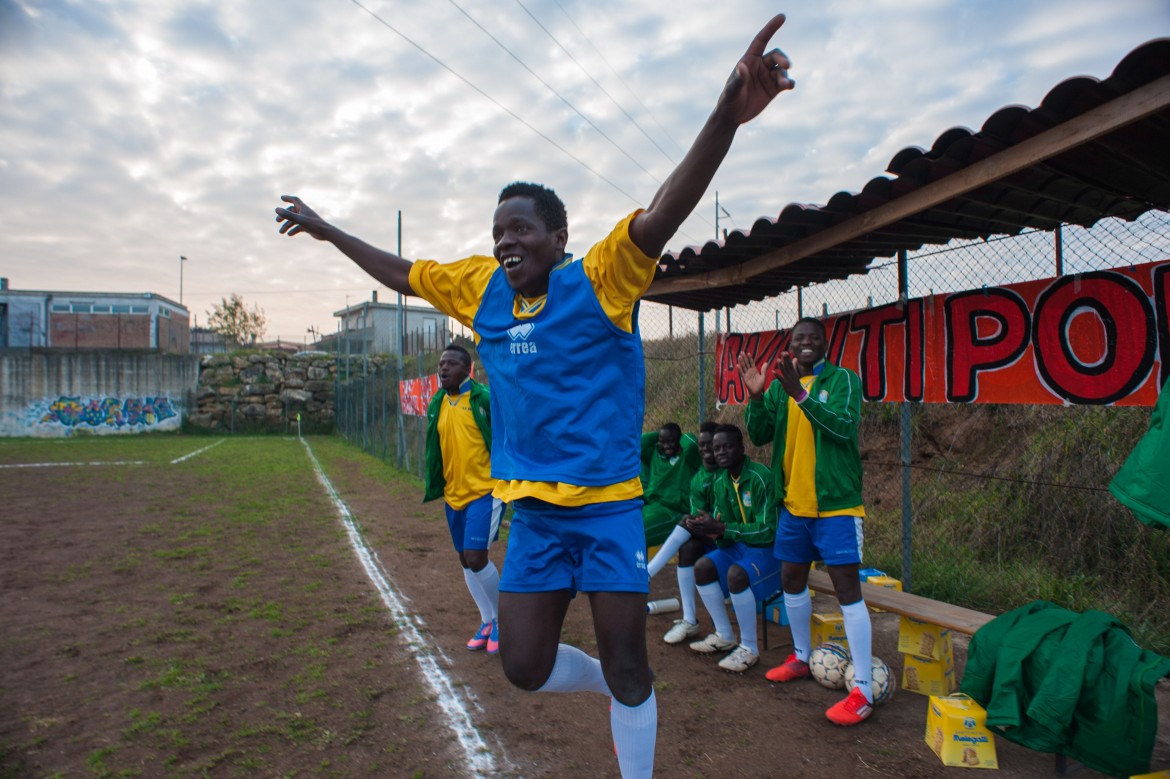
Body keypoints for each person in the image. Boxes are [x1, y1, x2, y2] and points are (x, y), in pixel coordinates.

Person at [274, 16, 794, 776]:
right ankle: (614, 694)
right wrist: (328, 232)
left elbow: (665, 209)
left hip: (611, 504)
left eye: (521, 228)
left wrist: (725, 116)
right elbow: (403, 272)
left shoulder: (602, 281)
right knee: (522, 664)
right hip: (536, 515)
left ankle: (631, 723)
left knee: (628, 663)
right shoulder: (482, 290)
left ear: (559, 237)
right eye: (497, 231)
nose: (504, 241)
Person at [737, 317, 876, 726]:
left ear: (825, 343)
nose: (806, 343)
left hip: (835, 507)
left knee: (847, 590)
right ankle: (800, 656)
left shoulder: (844, 380)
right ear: (790, 344)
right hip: (792, 506)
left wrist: (800, 393)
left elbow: (843, 427)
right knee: (792, 581)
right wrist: (759, 397)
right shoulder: (781, 386)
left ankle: (863, 689)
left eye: (814, 338)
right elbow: (760, 436)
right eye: (799, 338)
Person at [423, 343, 503, 654]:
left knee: (475, 556)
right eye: (441, 364)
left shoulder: (483, 398)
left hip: (484, 491)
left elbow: (503, 437)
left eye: (450, 364)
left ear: (467, 369)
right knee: (464, 560)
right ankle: (487, 620)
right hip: (453, 495)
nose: (443, 369)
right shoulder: (437, 402)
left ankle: (502, 620)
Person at [684, 423, 781, 672]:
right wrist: (710, 529)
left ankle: (749, 648)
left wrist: (724, 529)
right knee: (703, 567)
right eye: (717, 448)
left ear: (741, 448)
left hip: (768, 550)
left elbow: (768, 530)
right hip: (740, 546)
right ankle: (724, 635)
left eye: (728, 446)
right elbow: (725, 536)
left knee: (736, 574)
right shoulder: (720, 483)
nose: (721, 452)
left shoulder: (761, 477)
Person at [646, 420, 719, 644]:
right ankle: (690, 621)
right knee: (687, 549)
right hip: (711, 534)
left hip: (731, 535)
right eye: (702, 445)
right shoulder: (698, 478)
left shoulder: (731, 474)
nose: (705, 450)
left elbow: (688, 443)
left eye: (712, 446)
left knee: (686, 520)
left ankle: (646, 573)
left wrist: (687, 437)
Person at [640, 422, 702, 552]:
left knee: (638, 534)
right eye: (663, 442)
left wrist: (680, 436)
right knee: (626, 528)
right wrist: (661, 435)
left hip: (674, 511)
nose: (666, 446)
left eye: (671, 441)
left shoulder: (688, 457)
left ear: (679, 440)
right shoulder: (656, 452)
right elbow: (641, 442)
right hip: (651, 506)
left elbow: (691, 445)